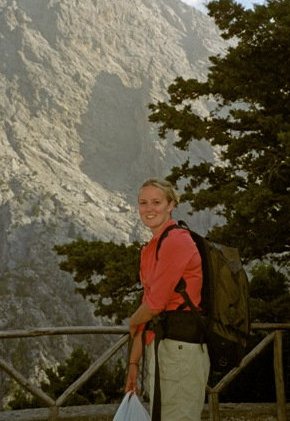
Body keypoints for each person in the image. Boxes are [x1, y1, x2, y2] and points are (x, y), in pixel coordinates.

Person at [125, 178, 210, 421]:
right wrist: (133, 364)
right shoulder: (154, 246)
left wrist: (132, 322)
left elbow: (154, 305)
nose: (149, 209)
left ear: (171, 204)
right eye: (143, 203)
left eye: (156, 202)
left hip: (180, 351)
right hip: (167, 350)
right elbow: (149, 307)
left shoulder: (176, 241)